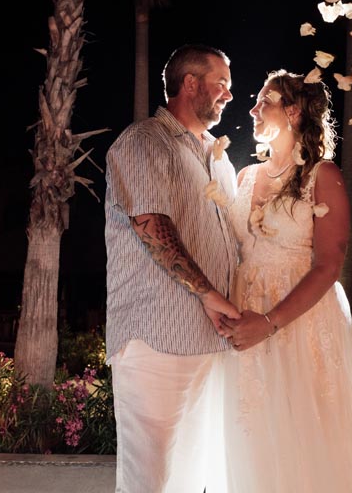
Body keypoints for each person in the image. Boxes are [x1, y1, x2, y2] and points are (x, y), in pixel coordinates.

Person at [220, 69, 352, 492]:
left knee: (307, 438)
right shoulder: (245, 178)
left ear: (294, 112)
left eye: (265, 101)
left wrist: (269, 323)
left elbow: (328, 265)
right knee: (256, 439)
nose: (254, 108)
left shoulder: (324, 176)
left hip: (299, 325)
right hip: (246, 322)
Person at [103, 44, 242, 493]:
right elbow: (150, 224)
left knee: (196, 478)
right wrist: (208, 293)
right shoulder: (144, 141)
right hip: (156, 338)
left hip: (212, 342)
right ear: (190, 84)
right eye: (221, 83)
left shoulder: (219, 159)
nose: (228, 94)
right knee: (152, 479)